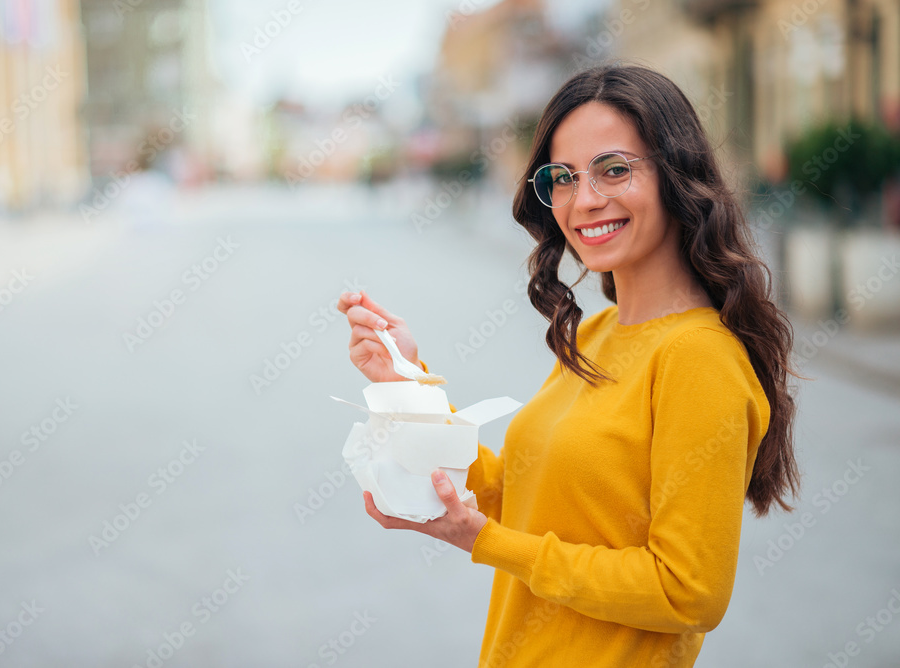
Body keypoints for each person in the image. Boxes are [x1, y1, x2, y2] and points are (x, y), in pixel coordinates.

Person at [337, 64, 802, 667]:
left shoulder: (698, 356)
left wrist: (487, 543)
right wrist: (409, 384)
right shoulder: (600, 331)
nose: (584, 200)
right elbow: (524, 497)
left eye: (614, 169)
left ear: (676, 176)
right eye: (562, 177)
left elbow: (687, 593)